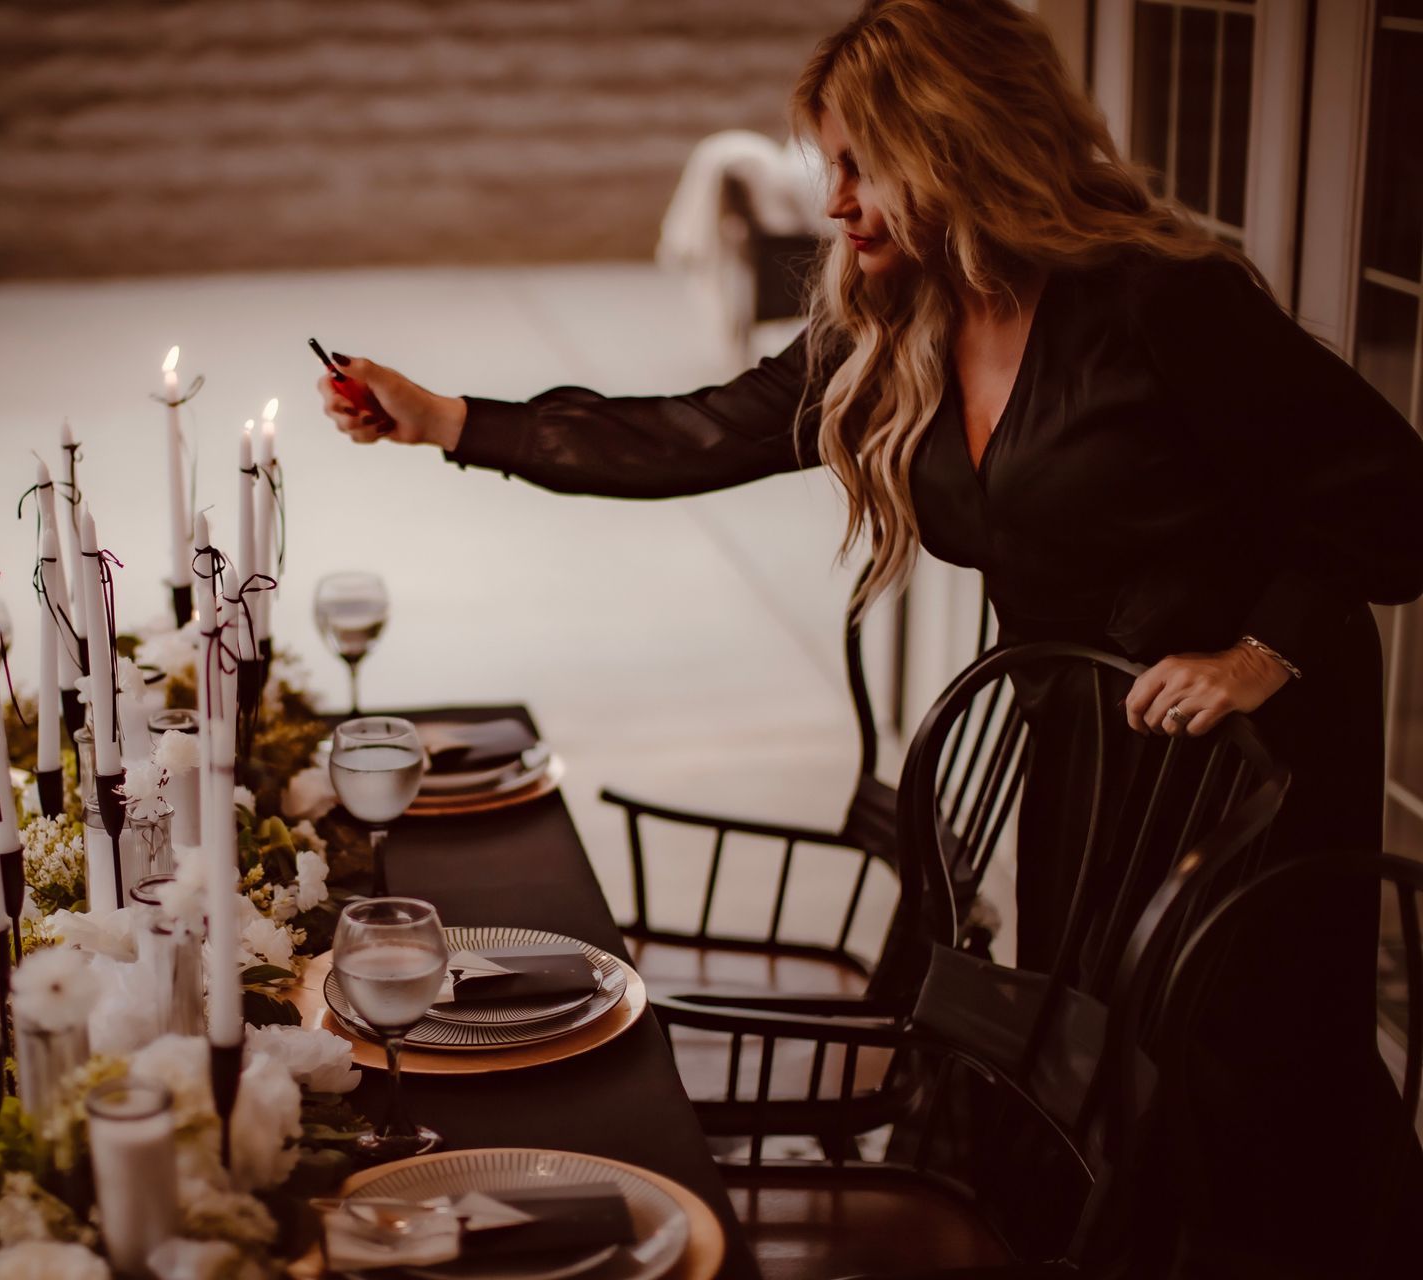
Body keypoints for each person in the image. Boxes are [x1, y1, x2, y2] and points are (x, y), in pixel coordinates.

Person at [314, 0, 1423, 1274]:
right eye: (828, 164)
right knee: (1102, 1076)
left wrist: (1258, 653)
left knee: (1246, 1095)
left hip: (1246, 771)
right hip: (1088, 756)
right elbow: (696, 432)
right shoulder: (899, 317)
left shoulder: (1164, 304)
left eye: (860, 163)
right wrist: (453, 419)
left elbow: (1392, 500)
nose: (833, 201)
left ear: (958, 142)